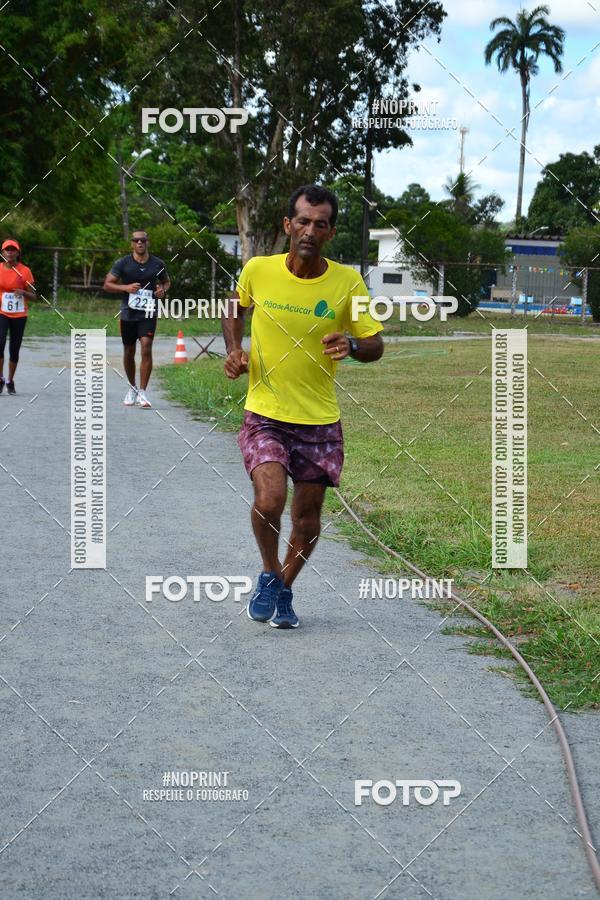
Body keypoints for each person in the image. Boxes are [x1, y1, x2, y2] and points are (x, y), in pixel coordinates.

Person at [222, 184, 384, 629]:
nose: (310, 231)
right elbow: (234, 307)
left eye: (320, 224)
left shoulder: (347, 282)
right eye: (303, 221)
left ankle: (284, 589)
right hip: (265, 413)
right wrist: (234, 349)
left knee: (307, 518)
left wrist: (352, 344)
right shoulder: (259, 269)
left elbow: (375, 344)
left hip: (319, 421)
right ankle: (269, 572)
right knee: (270, 498)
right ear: (288, 225)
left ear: (330, 232)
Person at [103, 230, 170, 408]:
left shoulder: (157, 263)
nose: (140, 243)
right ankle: (132, 388)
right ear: (132, 243)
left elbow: (166, 282)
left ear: (148, 243)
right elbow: (107, 284)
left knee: (146, 347)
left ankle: (143, 392)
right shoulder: (123, 263)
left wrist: (162, 290)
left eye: (143, 240)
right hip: (128, 313)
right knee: (129, 351)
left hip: (148, 312)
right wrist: (125, 288)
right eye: (136, 240)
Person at [0, 238, 36, 395]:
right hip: (2, 312)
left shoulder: (25, 271)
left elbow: (34, 296)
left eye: (13, 249)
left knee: (14, 348)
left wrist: (23, 292)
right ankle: (0, 378)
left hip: (19, 314)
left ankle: (10, 380)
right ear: (2, 252)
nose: (10, 252)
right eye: (7, 249)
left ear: (18, 253)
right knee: (0, 344)